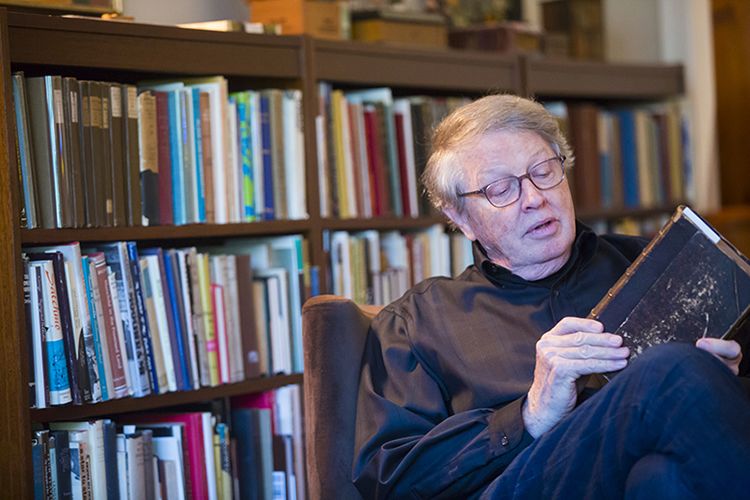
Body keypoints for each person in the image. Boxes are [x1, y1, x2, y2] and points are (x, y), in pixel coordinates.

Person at [352, 94, 750, 499]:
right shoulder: (417, 322)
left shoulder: (655, 264)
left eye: (544, 171)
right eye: (501, 189)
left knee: (662, 479)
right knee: (667, 368)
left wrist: (719, 385)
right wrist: (530, 415)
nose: (535, 198)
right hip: (520, 486)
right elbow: (391, 478)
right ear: (460, 218)